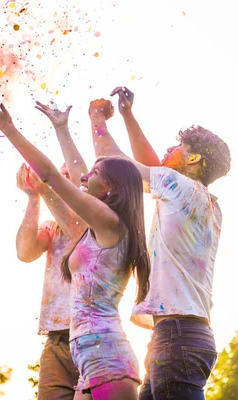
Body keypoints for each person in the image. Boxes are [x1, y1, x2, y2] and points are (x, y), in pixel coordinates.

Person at [0, 101, 151, 400]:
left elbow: (52, 175)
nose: (83, 177)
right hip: (89, 357)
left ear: (110, 189)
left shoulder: (110, 223)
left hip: (107, 358)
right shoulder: (94, 229)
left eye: (93, 174)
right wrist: (62, 129)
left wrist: (8, 129)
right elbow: (74, 174)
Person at [91, 87, 232, 399]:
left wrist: (97, 119)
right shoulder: (197, 199)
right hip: (176, 336)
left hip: (178, 338)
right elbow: (152, 169)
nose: (170, 147)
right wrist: (128, 117)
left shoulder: (180, 189)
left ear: (193, 158)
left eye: (179, 145)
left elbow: (118, 168)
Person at [15, 101, 86, 400]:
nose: (59, 182)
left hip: (91, 335)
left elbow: (76, 229)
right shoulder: (51, 226)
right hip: (56, 340)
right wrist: (33, 197)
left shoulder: (93, 221)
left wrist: (44, 189)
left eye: (66, 177)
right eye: (57, 177)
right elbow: (25, 252)